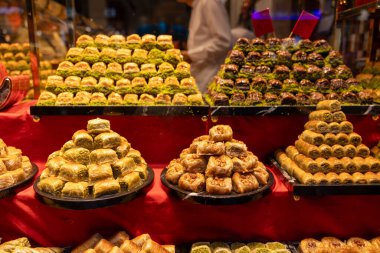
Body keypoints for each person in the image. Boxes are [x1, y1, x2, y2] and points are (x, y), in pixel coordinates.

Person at [177, 0, 232, 92]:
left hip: (210, 75)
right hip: (200, 74)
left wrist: (190, 55)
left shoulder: (209, 2)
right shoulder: (197, 5)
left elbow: (223, 41)